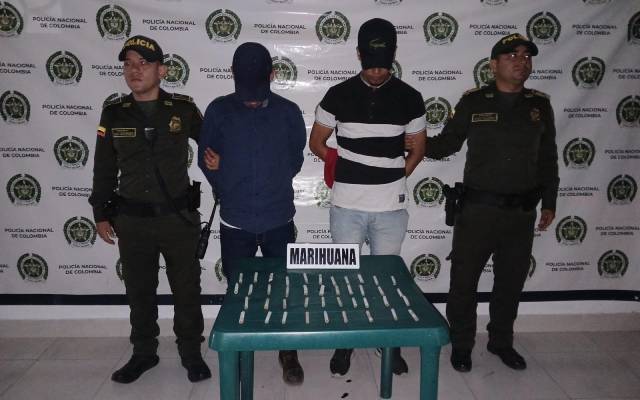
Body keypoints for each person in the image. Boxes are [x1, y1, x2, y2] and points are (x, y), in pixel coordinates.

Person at [422, 33, 559, 372]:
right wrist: (410, 140)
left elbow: (548, 159)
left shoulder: (539, 105)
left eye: (526, 56)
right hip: (478, 212)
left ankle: (501, 342)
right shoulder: (474, 102)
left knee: (510, 282)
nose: (521, 61)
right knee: (464, 282)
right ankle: (461, 344)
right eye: (512, 56)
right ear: (493, 65)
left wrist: (549, 201)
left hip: (521, 214)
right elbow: (446, 145)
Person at [89, 35, 210, 383]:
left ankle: (191, 353)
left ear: (162, 70)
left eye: (143, 63)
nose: (135, 70)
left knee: (186, 290)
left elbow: (213, 145)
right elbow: (103, 167)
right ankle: (144, 353)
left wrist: (218, 161)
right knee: (139, 292)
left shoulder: (182, 110)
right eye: (128, 64)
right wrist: (100, 213)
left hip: (177, 219)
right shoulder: (114, 113)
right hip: (132, 221)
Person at [309, 18, 427, 377]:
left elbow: (418, 150)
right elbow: (316, 143)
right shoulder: (338, 94)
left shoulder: (410, 97)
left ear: (393, 55)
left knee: (386, 279)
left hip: (391, 207)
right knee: (346, 277)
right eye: (371, 63)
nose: (377, 72)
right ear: (359, 54)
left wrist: (393, 176)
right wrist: (346, 167)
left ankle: (387, 342)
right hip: (346, 205)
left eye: (383, 64)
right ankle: (345, 340)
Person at [198, 42, 307, 385]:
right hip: (236, 221)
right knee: (238, 292)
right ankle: (240, 349)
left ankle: (288, 352)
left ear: (272, 76)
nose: (251, 101)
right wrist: (231, 179)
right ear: (232, 75)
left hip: (278, 219)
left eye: (256, 93)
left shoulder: (288, 112)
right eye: (245, 93)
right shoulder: (218, 111)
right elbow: (205, 159)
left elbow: (294, 159)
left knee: (285, 290)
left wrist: (240, 167)